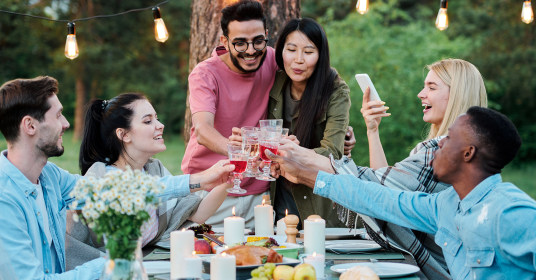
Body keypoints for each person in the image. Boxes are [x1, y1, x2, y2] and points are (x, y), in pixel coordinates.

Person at [274, 58, 488, 279]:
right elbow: (387, 194)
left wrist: (301, 157)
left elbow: (375, 186)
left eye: (431, 87)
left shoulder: (440, 152)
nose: (421, 94)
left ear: (458, 95)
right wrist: (372, 131)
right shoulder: (464, 148)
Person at [269, 106, 536, 279]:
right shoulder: (446, 204)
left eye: (450, 137)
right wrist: (304, 173)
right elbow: (379, 198)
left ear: (468, 153)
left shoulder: (510, 212)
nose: (439, 143)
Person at [65, 93, 234, 269]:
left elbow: (195, 213)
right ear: (124, 134)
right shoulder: (103, 178)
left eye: (157, 119)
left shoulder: (153, 170)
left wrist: (226, 181)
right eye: (148, 121)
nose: (160, 126)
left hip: (143, 265)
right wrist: (201, 180)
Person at [0, 76, 105, 279]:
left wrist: (174, 184)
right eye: (58, 115)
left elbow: (108, 189)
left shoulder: (48, 176)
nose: (66, 123)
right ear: (30, 125)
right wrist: (111, 266)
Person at [181, 0, 278, 228]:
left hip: (260, 193)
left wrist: (340, 126)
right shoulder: (205, 74)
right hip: (210, 191)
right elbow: (203, 131)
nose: (251, 51)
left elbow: (317, 74)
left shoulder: (273, 59)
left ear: (266, 35)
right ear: (225, 41)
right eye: (240, 43)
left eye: (257, 41)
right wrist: (241, 151)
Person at [267, 18, 350, 227]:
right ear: (281, 51)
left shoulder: (336, 90)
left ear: (321, 55)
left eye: (309, 51)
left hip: (316, 199)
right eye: (291, 49)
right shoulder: (273, 82)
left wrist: (292, 153)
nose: (298, 60)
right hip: (276, 197)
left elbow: (334, 153)